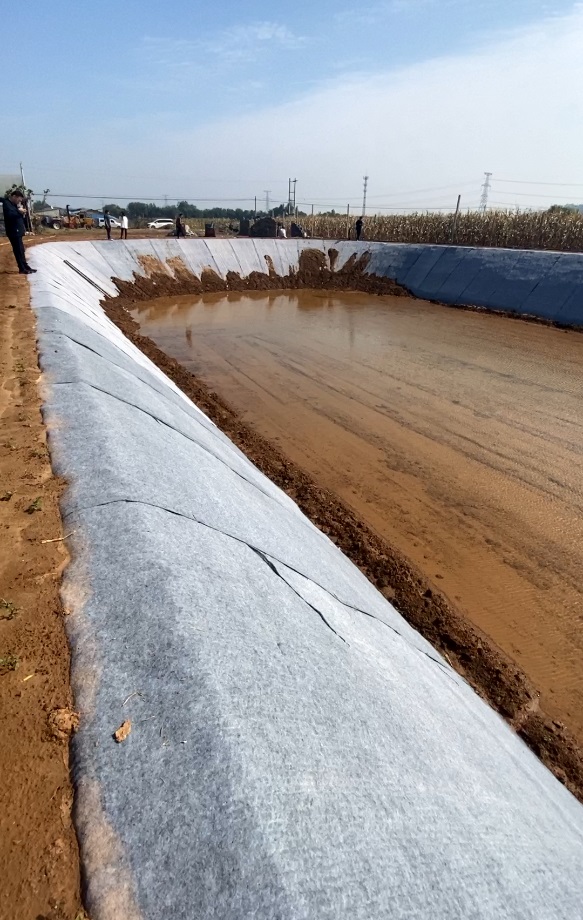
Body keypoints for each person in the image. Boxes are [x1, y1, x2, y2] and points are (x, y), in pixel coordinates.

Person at [1, 190, 37, 274]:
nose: (19, 201)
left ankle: (25, 266)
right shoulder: (7, 204)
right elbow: (10, 215)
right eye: (19, 199)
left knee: (21, 249)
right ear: (14, 197)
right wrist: (19, 212)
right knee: (18, 250)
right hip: (13, 231)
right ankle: (22, 268)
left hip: (18, 230)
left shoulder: (13, 205)